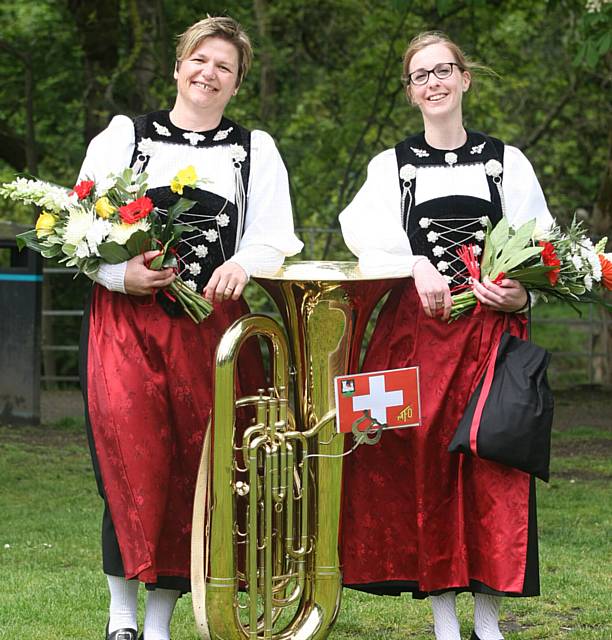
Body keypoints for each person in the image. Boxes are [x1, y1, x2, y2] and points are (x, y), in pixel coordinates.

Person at [77, 16, 302, 640]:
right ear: (179, 66)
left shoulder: (254, 151)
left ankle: (159, 621)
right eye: (200, 60)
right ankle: (121, 615)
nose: (209, 73)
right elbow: (81, 229)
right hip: (127, 325)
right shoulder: (126, 138)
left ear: (236, 84)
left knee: (194, 471)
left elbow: (275, 238)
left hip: (209, 329)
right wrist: (124, 275)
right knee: (129, 460)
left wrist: (241, 265)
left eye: (224, 67)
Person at [339, 31, 554, 640]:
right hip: (419, 337)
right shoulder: (394, 167)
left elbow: (542, 248)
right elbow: (360, 232)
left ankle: (488, 621)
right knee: (424, 467)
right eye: (420, 75)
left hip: (494, 338)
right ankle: (444, 622)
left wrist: (524, 291)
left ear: (465, 79)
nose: (432, 82)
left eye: (443, 70)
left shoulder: (506, 162)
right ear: (411, 93)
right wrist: (415, 263)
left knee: (495, 467)